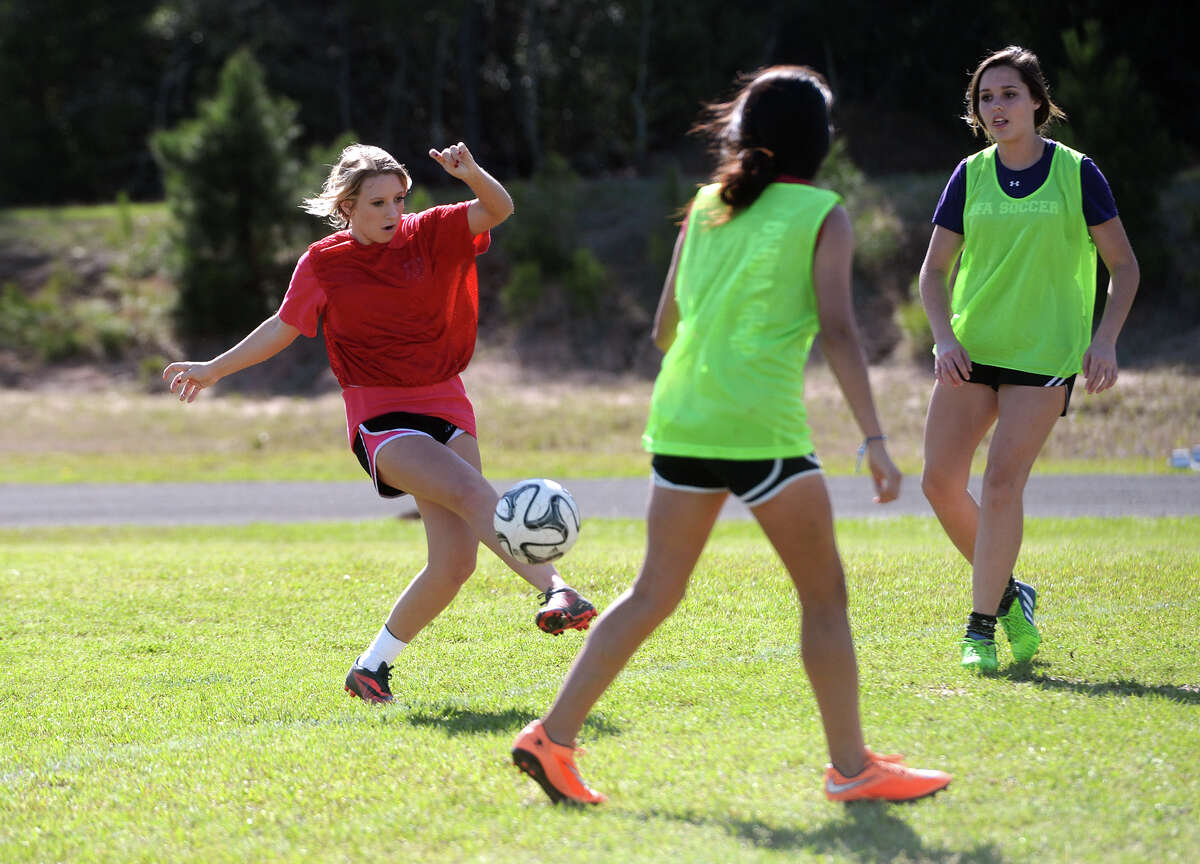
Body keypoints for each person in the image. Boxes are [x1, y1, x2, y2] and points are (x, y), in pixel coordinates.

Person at [510, 66, 952, 805]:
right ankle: (850, 768)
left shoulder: (706, 205)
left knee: (652, 592)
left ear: (745, 134)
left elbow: (661, 331)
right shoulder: (823, 212)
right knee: (824, 598)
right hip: (760, 428)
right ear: (818, 140)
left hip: (682, 418)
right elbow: (840, 331)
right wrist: (875, 440)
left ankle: (550, 738)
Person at [163, 142, 597, 704]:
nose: (392, 212)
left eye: (398, 198)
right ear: (347, 206)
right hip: (381, 415)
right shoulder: (324, 263)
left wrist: (471, 175)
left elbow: (499, 209)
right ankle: (559, 590)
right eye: (377, 202)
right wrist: (213, 369)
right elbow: (282, 326)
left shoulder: (432, 231)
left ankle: (370, 670)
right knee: (471, 491)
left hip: (448, 403)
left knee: (454, 564)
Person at [918, 46, 1139, 673]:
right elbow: (933, 275)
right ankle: (1012, 595)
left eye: (1009, 94)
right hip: (972, 350)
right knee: (938, 481)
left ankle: (981, 629)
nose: (996, 107)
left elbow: (1123, 266)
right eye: (986, 98)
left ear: (1038, 102)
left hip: (1044, 356)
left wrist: (1104, 339)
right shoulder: (969, 175)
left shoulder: (1078, 173)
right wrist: (943, 338)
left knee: (1000, 482)